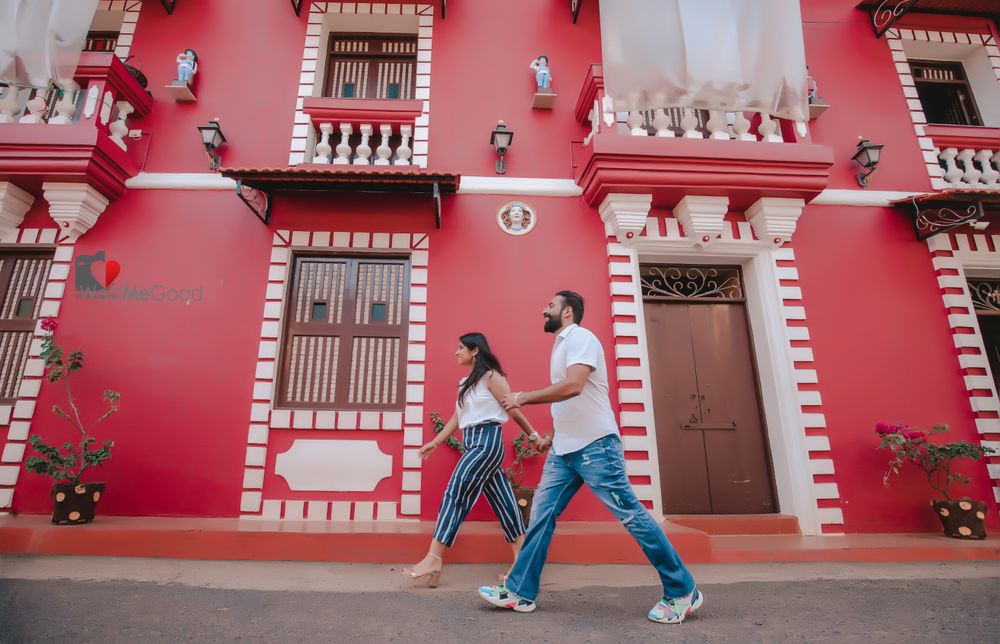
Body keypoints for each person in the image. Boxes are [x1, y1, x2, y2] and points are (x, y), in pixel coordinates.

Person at [477, 291, 703, 624]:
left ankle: (683, 591)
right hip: (564, 449)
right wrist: (552, 436)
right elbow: (567, 399)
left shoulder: (580, 337)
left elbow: (574, 387)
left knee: (631, 516)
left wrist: (522, 397)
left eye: (550, 306)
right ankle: (519, 592)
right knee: (541, 517)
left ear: (567, 312)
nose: (544, 308)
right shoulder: (561, 344)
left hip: (596, 445)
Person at [401, 332, 546, 587]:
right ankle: (524, 560)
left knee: (455, 493)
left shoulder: (492, 376)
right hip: (472, 442)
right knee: (504, 501)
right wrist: (436, 442)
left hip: (487, 441)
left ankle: (434, 557)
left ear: (475, 351)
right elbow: (458, 418)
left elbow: (513, 408)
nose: (456, 352)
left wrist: (533, 436)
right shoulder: (464, 383)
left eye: (461, 348)